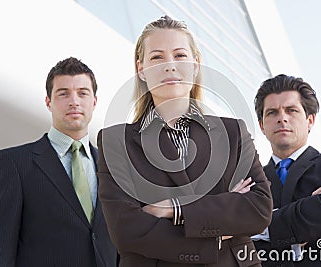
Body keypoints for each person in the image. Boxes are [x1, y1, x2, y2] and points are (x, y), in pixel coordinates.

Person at [97, 16, 273, 266]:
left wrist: (173, 208)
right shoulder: (116, 141)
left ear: (195, 64)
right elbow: (126, 231)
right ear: (141, 70)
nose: (169, 65)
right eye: (157, 57)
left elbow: (258, 208)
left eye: (179, 55)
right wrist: (220, 224)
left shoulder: (233, 132)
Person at [0, 57, 118, 267]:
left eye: (83, 93)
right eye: (63, 94)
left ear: (94, 102)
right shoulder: (13, 164)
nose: (74, 101)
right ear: (48, 102)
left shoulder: (113, 169)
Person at [252, 74, 321, 266]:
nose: (282, 118)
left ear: (310, 120)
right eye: (272, 112)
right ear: (262, 126)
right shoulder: (251, 183)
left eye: (291, 110)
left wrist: (256, 227)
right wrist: (310, 211)